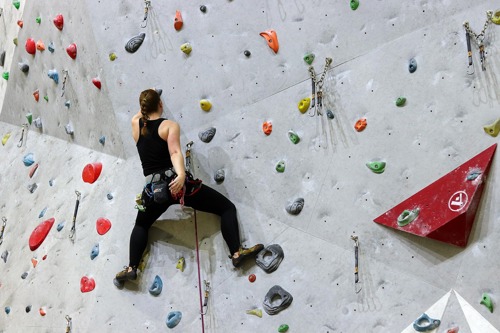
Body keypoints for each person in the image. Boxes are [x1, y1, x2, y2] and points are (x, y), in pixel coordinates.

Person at [115, 89, 263, 283]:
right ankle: (236, 253)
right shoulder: (169, 126)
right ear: (160, 104)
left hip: (152, 192)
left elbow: (138, 114)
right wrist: (182, 174)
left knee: (141, 224)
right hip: (176, 185)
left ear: (142, 107)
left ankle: (131, 267)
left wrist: (147, 101)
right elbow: (175, 152)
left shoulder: (136, 125)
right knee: (226, 207)